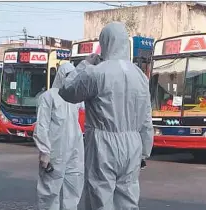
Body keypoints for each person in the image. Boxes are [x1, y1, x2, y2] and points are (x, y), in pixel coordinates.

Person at [58, 22, 154, 210]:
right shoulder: (140, 76)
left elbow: (67, 91)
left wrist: (84, 64)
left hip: (104, 144)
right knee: (128, 199)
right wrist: (144, 151)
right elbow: (146, 117)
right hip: (133, 144)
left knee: (100, 198)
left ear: (105, 42)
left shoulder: (96, 73)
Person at [33, 62, 84, 210]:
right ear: (61, 75)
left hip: (74, 150)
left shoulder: (75, 97)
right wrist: (44, 151)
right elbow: (42, 125)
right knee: (49, 190)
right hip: (55, 151)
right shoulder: (49, 96)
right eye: (68, 76)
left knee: (73, 187)